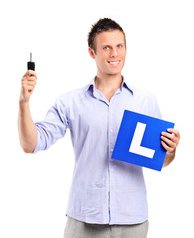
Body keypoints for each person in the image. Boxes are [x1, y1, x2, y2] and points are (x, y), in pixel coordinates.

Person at [18, 18, 180, 238]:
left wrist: (170, 150)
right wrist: (24, 102)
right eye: (106, 47)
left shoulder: (145, 101)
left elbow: (161, 161)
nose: (114, 54)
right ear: (92, 53)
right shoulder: (71, 102)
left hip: (132, 220)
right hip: (85, 219)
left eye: (119, 46)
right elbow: (31, 144)